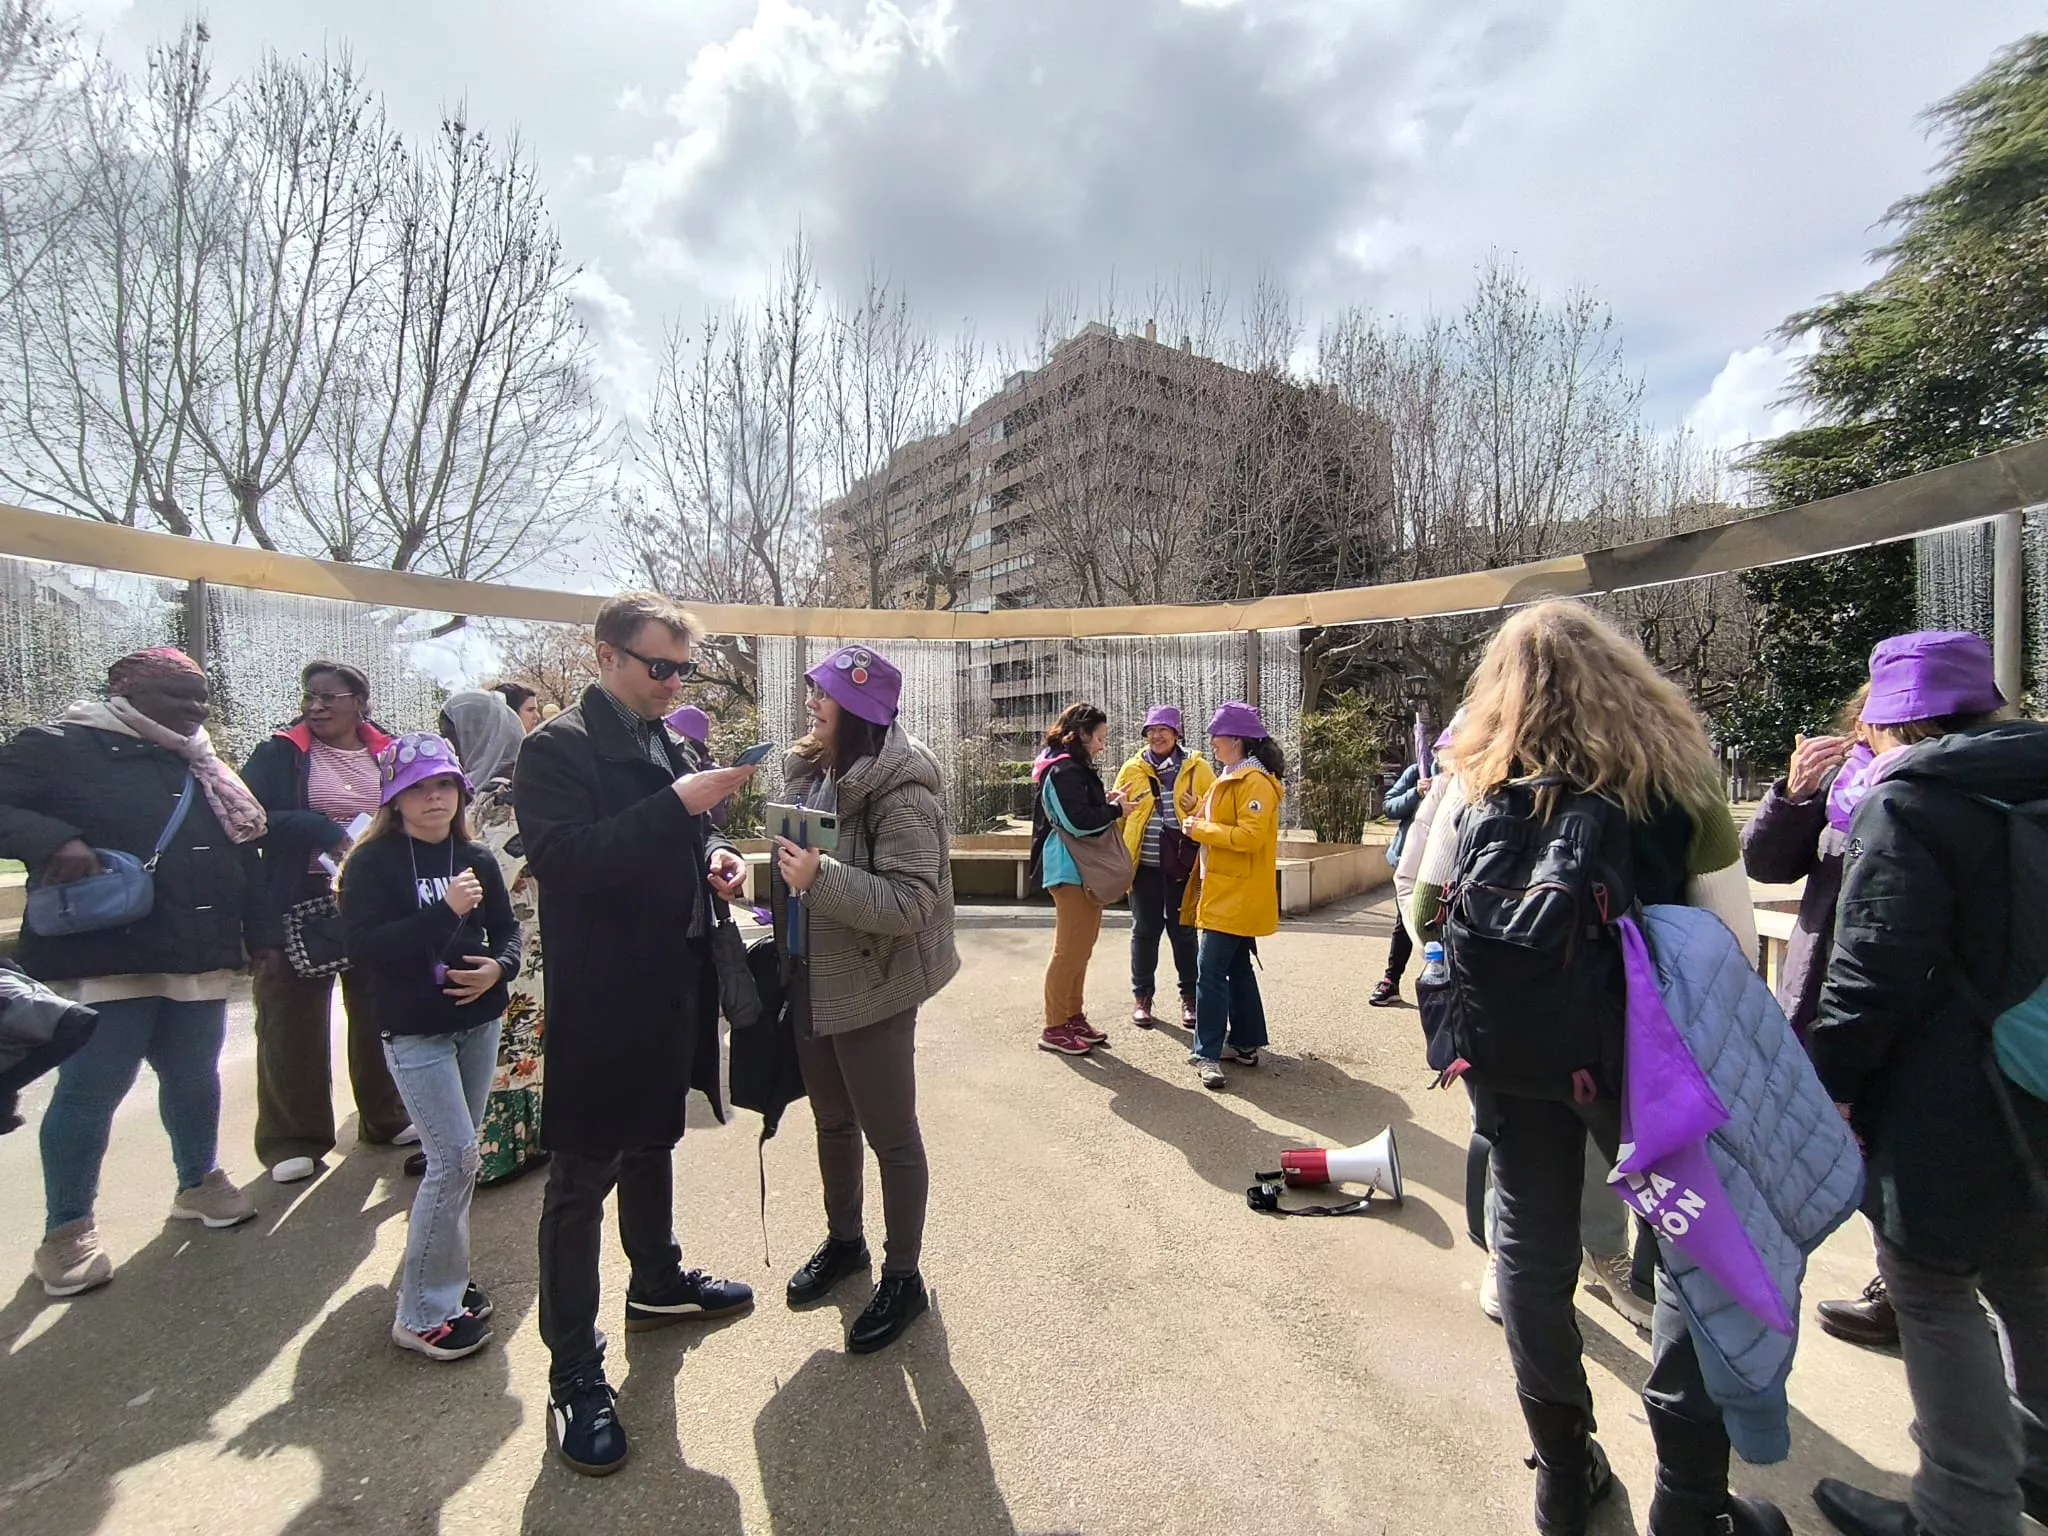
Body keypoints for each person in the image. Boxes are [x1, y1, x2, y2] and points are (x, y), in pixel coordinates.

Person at [1410, 602, 1772, 1536]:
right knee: (1697, 1258)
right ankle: (1688, 1500)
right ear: (1625, 677)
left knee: (1531, 1255)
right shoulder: (1676, 779)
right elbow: (1730, 939)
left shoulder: (1472, 777)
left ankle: (1564, 1475)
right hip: (1644, 1065)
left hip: (1512, 1058)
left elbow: (1423, 918)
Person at [512, 591, 761, 1477]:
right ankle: (575, 1371)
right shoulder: (557, 749)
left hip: (673, 981)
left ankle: (655, 1282)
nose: (672, 683)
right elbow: (566, 862)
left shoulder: (670, 741)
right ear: (605, 657)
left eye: (681, 670)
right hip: (602, 994)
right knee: (582, 1177)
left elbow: (679, 843)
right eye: (659, 667)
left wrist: (716, 858)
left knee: (656, 1140)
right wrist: (677, 807)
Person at [1807, 632, 2048, 1536]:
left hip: (1955, 1099)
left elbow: (1873, 970)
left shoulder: (1912, 801)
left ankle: (1964, 1509)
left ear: (1890, 717)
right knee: (2030, 1273)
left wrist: (1831, 1087)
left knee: (1933, 1285)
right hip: (2040, 1086)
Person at [0, 647, 266, 1296]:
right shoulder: (62, 744)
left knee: (192, 1075)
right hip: (106, 956)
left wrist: (251, 937)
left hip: (195, 949)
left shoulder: (199, 757)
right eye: (179, 693)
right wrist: (51, 840)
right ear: (124, 688)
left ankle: (198, 1181)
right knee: (92, 1090)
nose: (195, 707)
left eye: (201, 694)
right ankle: (67, 1229)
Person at [770, 644, 959, 1354]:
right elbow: (799, 867)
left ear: (857, 712)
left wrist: (819, 880)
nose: (812, 704)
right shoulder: (814, 771)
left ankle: (903, 1277)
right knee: (831, 1122)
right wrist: (757, 882)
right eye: (814, 692)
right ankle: (845, 1242)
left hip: (874, 986)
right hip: (811, 974)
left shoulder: (903, 793)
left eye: (824, 696)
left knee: (893, 1138)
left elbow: (912, 903)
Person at [341, 731, 520, 1361]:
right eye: (417, 788)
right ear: (394, 798)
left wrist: (500, 970)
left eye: (443, 785)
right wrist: (442, 912)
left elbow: (508, 934)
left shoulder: (476, 855)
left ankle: (443, 1280)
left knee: (461, 1160)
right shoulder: (372, 865)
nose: (433, 798)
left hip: (479, 1026)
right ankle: (420, 1314)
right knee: (454, 1161)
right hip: (417, 1031)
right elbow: (364, 949)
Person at [1740, 685, 1898, 1351]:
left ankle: (1917, 1287)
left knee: (1901, 1160)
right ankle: (1902, 1282)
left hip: (1917, 1009)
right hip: (1828, 994)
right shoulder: (1844, 782)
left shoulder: (1951, 788)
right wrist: (1795, 797)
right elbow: (1766, 862)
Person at [241, 661, 410, 1185]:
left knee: (382, 1011)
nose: (316, 706)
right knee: (290, 1020)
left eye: (329, 697)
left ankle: (387, 1115)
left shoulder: (392, 750)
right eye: (310, 697)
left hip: (375, 898)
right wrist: (318, 828)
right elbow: (247, 815)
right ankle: (293, 1138)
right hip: (299, 899)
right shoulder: (279, 753)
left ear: (360, 700)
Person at [439, 691, 547, 1187]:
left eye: (452, 737)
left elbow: (501, 871)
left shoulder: (506, 794)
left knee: (513, 1048)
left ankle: (504, 1150)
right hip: (515, 938)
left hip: (519, 942)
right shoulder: (496, 787)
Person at [1181, 702, 1285, 1091]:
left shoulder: (1253, 782)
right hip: (1226, 888)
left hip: (1233, 893)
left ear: (1237, 740)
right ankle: (1245, 1043)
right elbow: (1219, 820)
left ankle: (1206, 1053)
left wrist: (1202, 829)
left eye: (1217, 736)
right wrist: (1198, 814)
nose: (1212, 743)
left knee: (1209, 973)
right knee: (1238, 968)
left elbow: (1249, 836)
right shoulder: (1230, 776)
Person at [1030, 703, 1127, 1056]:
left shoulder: (1070, 767)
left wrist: (1106, 801)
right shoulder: (1064, 769)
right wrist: (1116, 810)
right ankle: (1054, 1026)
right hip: (1070, 869)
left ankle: (1072, 1016)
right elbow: (1078, 821)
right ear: (1082, 735)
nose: (1102, 744)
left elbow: (1079, 810)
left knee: (1081, 950)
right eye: (1099, 737)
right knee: (1069, 951)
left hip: (1079, 869)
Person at [1113, 706, 1212, 1030]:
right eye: (1151, 730)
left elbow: (1217, 810)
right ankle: (1142, 997)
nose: (1156, 736)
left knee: (1183, 932)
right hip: (1144, 865)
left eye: (1163, 730)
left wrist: (1194, 807)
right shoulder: (1132, 768)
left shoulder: (1198, 769)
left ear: (1177, 734)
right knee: (1144, 931)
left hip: (1183, 866)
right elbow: (1118, 815)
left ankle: (1191, 999)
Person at [1369, 754, 1432, 1007]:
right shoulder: (1418, 771)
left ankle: (1441, 980)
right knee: (1404, 921)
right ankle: (1391, 980)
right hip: (1410, 861)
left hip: (1444, 864)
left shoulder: (1465, 778)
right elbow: (1390, 806)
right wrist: (1416, 793)